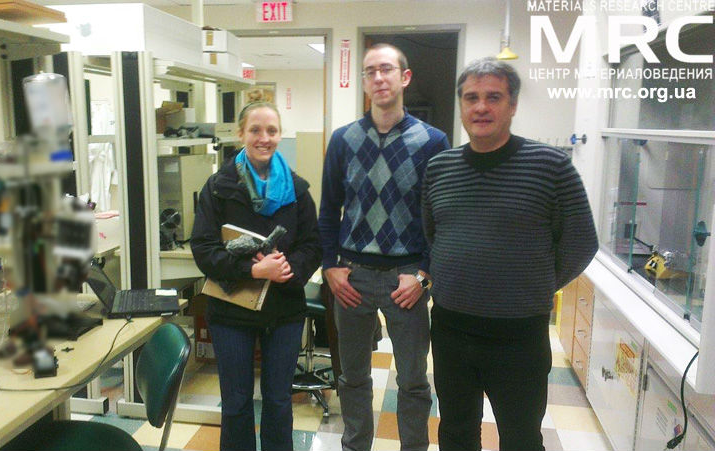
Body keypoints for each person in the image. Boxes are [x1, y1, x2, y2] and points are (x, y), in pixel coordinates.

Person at [422, 57, 598, 451]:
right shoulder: (439, 168)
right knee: (455, 433)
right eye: (471, 98)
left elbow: (581, 243)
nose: (481, 107)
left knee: (521, 439)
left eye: (493, 97)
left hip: (519, 337)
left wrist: (534, 284)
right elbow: (433, 234)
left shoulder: (551, 167)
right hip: (451, 331)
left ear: (513, 105)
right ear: (461, 105)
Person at [318, 43, 450, 451]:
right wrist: (329, 266)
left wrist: (424, 274)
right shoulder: (343, 140)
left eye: (387, 69)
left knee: (412, 380)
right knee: (352, 377)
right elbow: (328, 210)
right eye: (370, 71)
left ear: (404, 77)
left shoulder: (432, 141)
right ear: (363, 81)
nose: (378, 78)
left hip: (405, 280)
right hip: (351, 278)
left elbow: (441, 216)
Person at [190, 102, 321, 451]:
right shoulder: (218, 187)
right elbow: (203, 249)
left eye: (272, 131)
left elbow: (312, 244)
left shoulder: (297, 190)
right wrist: (252, 270)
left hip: (284, 310)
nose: (264, 138)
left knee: (278, 400)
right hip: (231, 310)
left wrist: (288, 269)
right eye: (255, 130)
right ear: (241, 134)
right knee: (235, 403)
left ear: (280, 135)